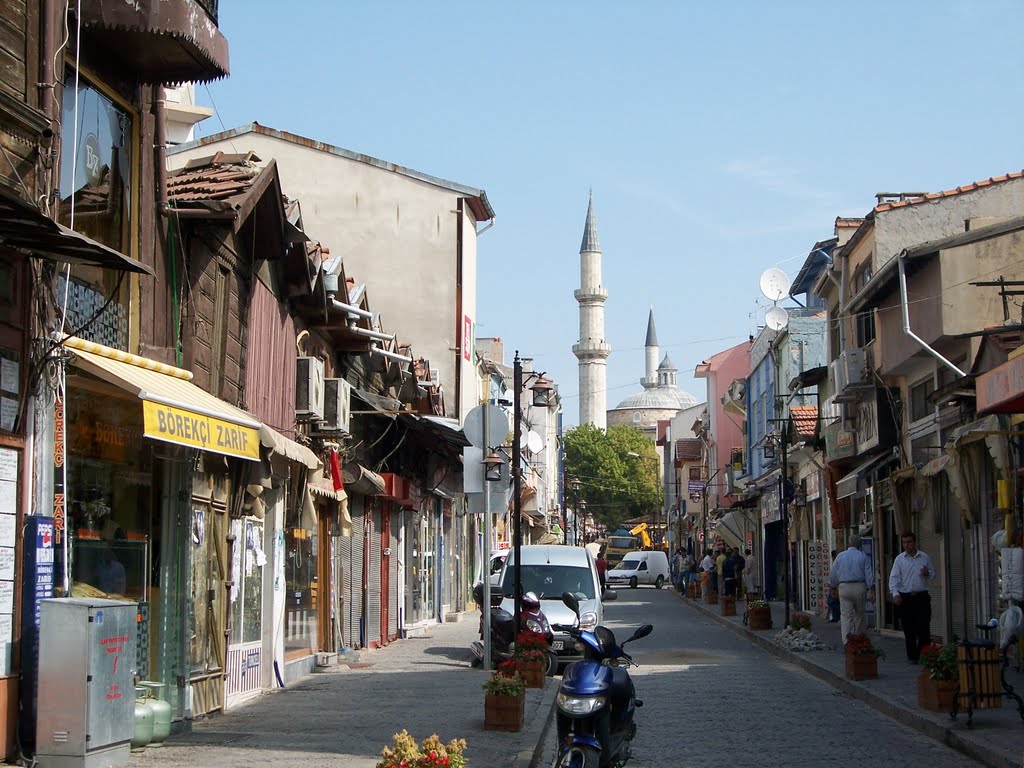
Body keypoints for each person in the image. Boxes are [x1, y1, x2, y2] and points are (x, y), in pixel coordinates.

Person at [888, 531, 935, 663]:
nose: (907, 545)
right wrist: (895, 594)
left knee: (923, 626)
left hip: (921, 597)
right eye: (904, 543)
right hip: (906, 597)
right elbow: (894, 579)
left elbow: (933, 573)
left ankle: (924, 654)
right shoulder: (899, 560)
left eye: (909, 542)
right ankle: (912, 656)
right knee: (909, 629)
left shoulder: (924, 557)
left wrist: (927, 573)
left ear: (914, 542)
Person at [828, 533, 875, 645]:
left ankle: (847, 642)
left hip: (845, 587)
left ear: (849, 543)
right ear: (859, 545)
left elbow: (833, 574)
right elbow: (869, 575)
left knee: (845, 616)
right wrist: (871, 589)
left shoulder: (840, 556)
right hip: (860, 587)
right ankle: (859, 640)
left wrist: (833, 586)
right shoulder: (863, 556)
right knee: (859, 615)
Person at [826, 549, 841, 622]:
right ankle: (836, 616)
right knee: (832, 601)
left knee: (832, 600)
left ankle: (836, 616)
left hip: (836, 584)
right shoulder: (837, 562)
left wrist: (833, 585)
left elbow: (833, 575)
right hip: (835, 584)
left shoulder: (837, 562)